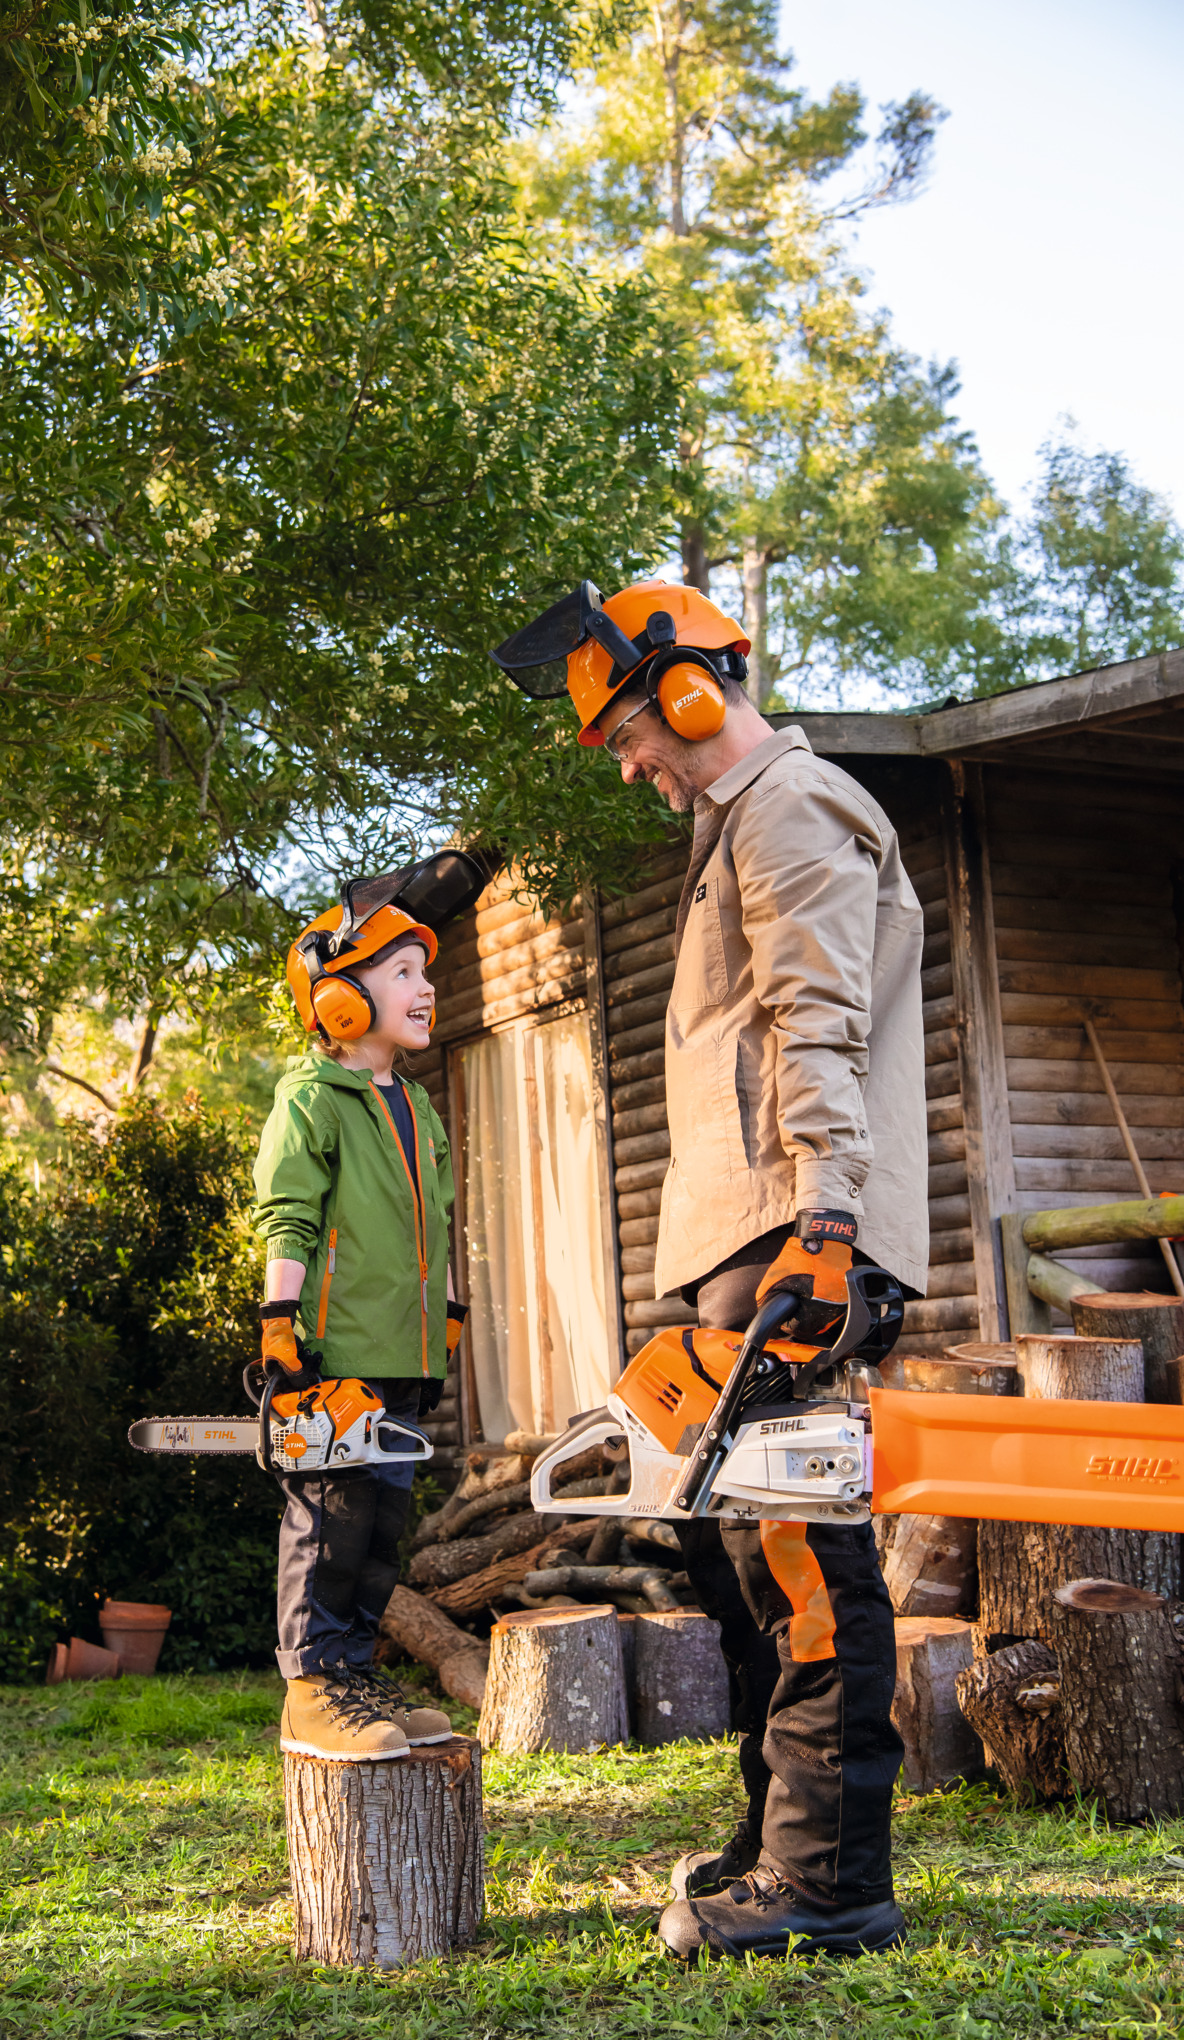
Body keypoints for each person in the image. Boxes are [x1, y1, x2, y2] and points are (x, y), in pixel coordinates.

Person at [490, 581, 928, 1961]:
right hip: (743, 1235)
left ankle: (831, 1881)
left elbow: (816, 1026)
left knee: (803, 1554)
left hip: (787, 1229)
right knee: (740, 1547)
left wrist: (824, 1222)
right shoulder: (737, 827)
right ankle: (779, 1844)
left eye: (631, 733)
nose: (631, 764)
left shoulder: (792, 809)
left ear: (690, 692)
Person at [252, 862, 471, 1761]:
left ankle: (352, 1675)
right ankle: (310, 1683)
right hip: (337, 1351)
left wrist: (449, 1312)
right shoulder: (312, 1099)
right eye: (405, 975)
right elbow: (289, 1215)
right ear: (341, 1000)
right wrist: (278, 1322)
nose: (427, 989)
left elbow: (446, 1217)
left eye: (425, 972)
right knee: (330, 1519)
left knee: (381, 1530)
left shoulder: (416, 1102)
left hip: (405, 1350)